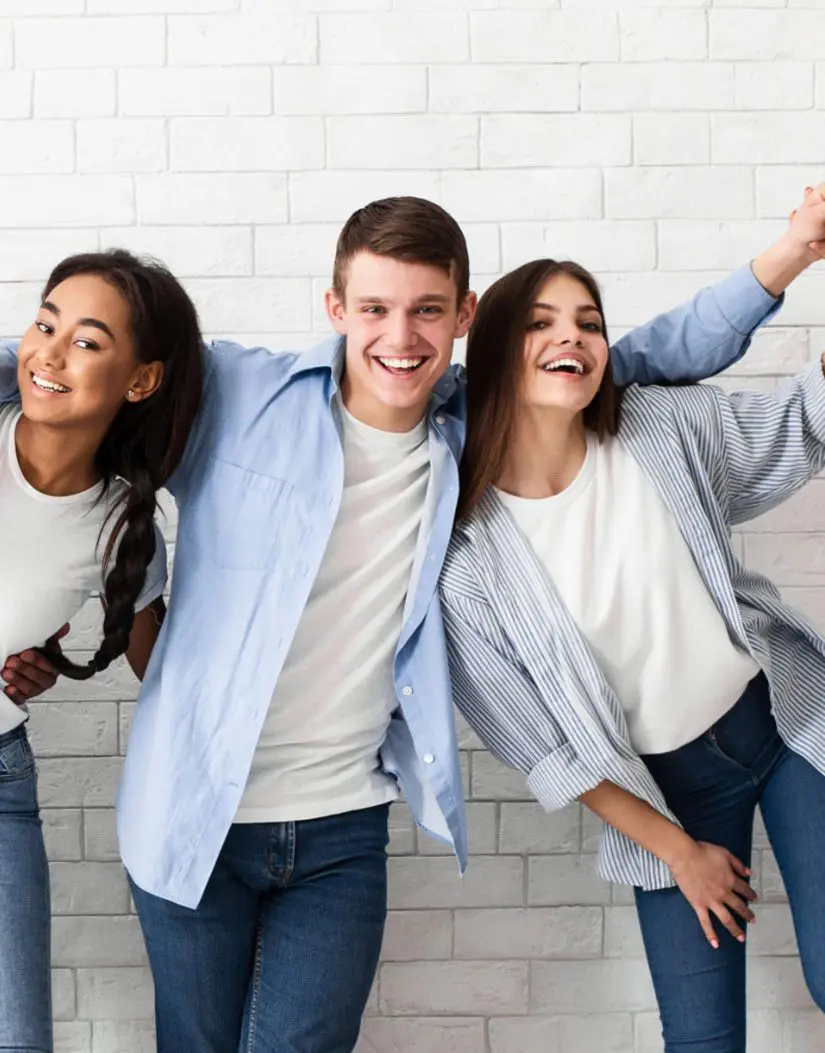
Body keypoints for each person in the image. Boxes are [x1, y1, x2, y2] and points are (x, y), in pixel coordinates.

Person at [0, 195, 816, 1053]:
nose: (402, 336)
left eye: (428, 309)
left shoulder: (473, 430)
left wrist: (787, 256)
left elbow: (645, 354)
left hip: (342, 832)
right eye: (376, 308)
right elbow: (77, 365)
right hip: (188, 814)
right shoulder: (235, 392)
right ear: (335, 309)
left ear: (463, 314)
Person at [439, 197, 825, 1053]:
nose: (570, 337)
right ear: (495, 351)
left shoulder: (655, 426)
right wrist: (679, 853)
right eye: (541, 323)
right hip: (665, 800)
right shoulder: (466, 558)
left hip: (785, 722)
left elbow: (799, 425)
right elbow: (545, 748)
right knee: (702, 1039)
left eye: (588, 321)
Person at [0, 249, 203, 1053]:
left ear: (141, 380)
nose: (48, 352)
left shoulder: (126, 525)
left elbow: (166, 671)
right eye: (44, 323)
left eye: (85, 341)